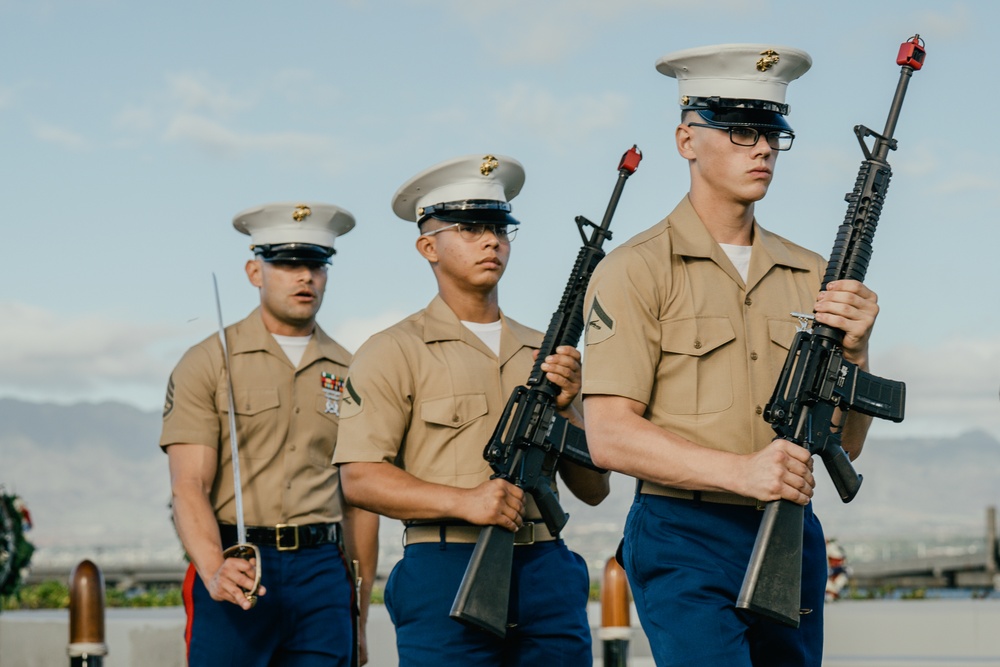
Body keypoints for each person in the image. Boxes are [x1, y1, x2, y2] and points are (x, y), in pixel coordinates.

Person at [581, 44, 881, 666]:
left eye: (773, 132)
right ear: (687, 139)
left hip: (789, 532)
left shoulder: (814, 275)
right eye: (742, 131)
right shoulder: (635, 269)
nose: (764, 148)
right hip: (682, 533)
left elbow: (844, 444)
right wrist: (741, 472)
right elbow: (609, 436)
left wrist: (858, 349)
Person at [333, 154, 611, 665]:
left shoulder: (547, 354)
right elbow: (360, 480)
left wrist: (570, 411)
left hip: (546, 566)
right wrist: (465, 502)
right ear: (427, 246)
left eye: (501, 229)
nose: (491, 241)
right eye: (470, 228)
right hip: (447, 566)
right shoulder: (392, 350)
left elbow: (594, 491)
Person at [160, 202, 378, 666]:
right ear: (254, 272)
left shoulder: (352, 370)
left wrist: (357, 619)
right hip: (238, 561)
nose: (305, 277)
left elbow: (358, 501)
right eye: (286, 263)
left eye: (317, 264)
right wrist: (214, 568)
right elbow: (188, 484)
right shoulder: (209, 361)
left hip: (322, 571)